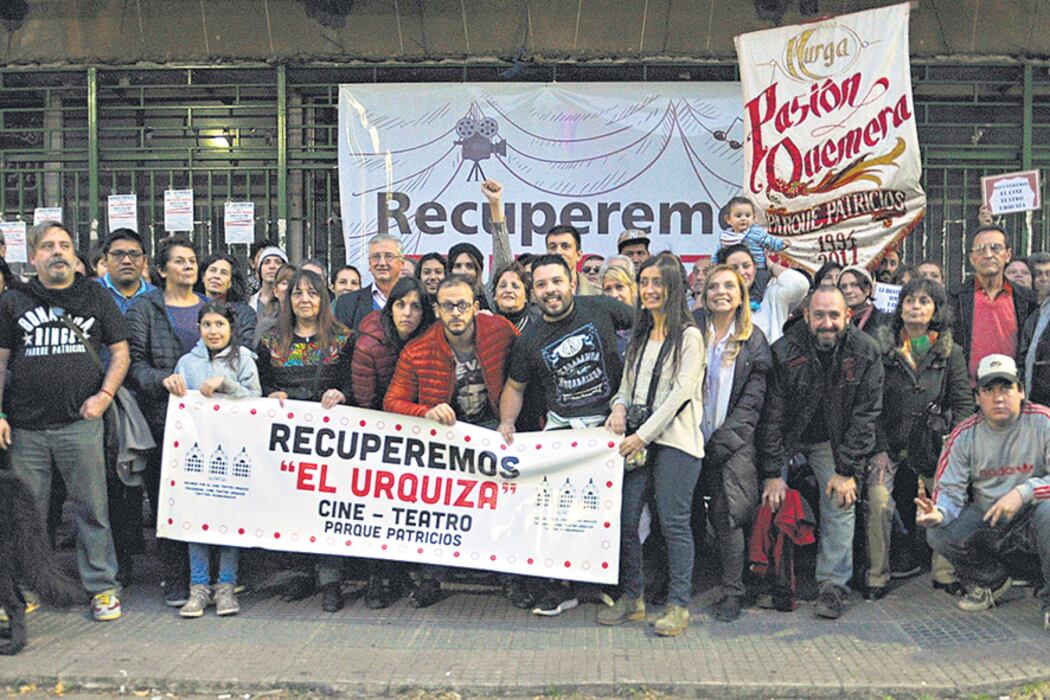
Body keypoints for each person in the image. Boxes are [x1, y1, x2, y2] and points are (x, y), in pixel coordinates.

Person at [0, 221, 129, 621]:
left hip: (80, 424)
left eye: (65, 245)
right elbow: (1, 362)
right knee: (28, 516)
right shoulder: (13, 301)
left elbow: (120, 352)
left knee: (92, 510)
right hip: (26, 427)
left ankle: (102, 588)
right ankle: (25, 588)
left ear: (75, 255)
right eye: (48, 246)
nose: (58, 252)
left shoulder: (95, 295)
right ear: (33, 256)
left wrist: (104, 396)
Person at [499, 255, 634, 615]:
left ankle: (615, 588)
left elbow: (649, 327)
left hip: (611, 428)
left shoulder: (601, 307)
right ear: (533, 292)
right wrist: (507, 422)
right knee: (560, 520)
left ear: (572, 283)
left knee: (616, 517)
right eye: (541, 284)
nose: (550, 290)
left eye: (556, 282)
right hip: (563, 438)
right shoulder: (529, 340)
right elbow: (514, 386)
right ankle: (564, 587)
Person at [384, 275, 518, 607]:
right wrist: (426, 411)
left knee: (504, 508)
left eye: (462, 305)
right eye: (447, 306)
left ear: (475, 306)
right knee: (440, 509)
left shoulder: (501, 331)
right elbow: (392, 401)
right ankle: (431, 579)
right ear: (436, 309)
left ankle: (512, 578)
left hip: (493, 431)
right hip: (446, 438)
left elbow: (525, 369)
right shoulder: (418, 349)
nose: (455, 312)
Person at [758, 286, 884, 619]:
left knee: (841, 502)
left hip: (835, 441)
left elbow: (866, 416)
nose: (826, 323)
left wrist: (846, 471)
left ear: (848, 316)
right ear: (806, 316)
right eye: (819, 315)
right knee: (770, 500)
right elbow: (772, 416)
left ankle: (833, 585)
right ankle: (774, 580)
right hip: (788, 439)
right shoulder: (784, 351)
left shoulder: (866, 351)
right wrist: (772, 472)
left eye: (834, 315)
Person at [600, 255, 704, 636]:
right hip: (637, 441)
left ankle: (678, 605)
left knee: (674, 524)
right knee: (626, 519)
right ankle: (634, 598)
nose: (649, 290)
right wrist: (618, 407)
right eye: (644, 282)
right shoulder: (641, 336)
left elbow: (679, 395)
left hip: (675, 443)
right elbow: (626, 387)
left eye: (657, 282)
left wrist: (642, 435)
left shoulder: (690, 337)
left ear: (673, 287)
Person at [917, 354, 1050, 630]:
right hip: (992, 520)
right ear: (978, 398)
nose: (998, 398)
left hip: (1035, 517)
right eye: (989, 390)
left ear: (1021, 391)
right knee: (939, 533)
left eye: (1006, 388)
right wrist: (938, 513)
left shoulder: (1043, 421)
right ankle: (992, 580)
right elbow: (950, 488)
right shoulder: (964, 434)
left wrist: (1023, 492)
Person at [866, 278, 974, 600]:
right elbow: (869, 405)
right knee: (878, 501)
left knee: (946, 498)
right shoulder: (881, 349)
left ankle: (944, 573)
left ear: (935, 310)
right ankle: (876, 576)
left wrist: (954, 447)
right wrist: (879, 449)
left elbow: (963, 404)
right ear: (900, 307)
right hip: (888, 445)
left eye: (924, 301)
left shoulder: (950, 352)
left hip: (932, 445)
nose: (915, 306)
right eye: (910, 300)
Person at [257, 269, 354, 611]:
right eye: (297, 293)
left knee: (328, 509)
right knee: (292, 506)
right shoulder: (270, 341)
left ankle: (331, 580)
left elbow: (355, 382)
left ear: (323, 298)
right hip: (288, 444)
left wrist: (341, 393)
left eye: (312, 293)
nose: (305, 300)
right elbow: (259, 383)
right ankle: (300, 574)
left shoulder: (344, 339)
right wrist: (270, 394)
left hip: (330, 444)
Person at [162, 301, 261, 618]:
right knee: (196, 519)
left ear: (231, 328)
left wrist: (227, 384)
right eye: (207, 325)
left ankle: (226, 586)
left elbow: (257, 400)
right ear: (199, 328)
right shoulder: (187, 363)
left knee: (229, 520)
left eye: (220, 324)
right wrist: (172, 384)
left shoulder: (244, 360)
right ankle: (199, 586)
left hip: (234, 453)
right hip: (197, 454)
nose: (213, 331)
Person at [127, 235, 207, 607]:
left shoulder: (208, 307)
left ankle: (205, 578)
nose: (188, 266)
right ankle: (175, 577)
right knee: (168, 502)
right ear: (161, 270)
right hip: (163, 421)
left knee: (204, 499)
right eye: (179, 261)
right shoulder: (145, 309)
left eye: (192, 260)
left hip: (207, 425)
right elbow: (134, 364)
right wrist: (162, 380)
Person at [690, 264, 772, 621]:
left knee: (729, 517)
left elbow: (752, 404)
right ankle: (680, 583)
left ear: (741, 296)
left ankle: (732, 590)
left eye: (729, 286)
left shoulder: (754, 340)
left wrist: (719, 446)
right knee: (682, 513)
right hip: (688, 438)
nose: (720, 292)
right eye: (713, 287)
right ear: (703, 294)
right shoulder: (691, 330)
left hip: (732, 444)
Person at [950, 226, 1038, 381]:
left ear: (1008, 255)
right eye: (980, 249)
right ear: (971, 258)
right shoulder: (954, 299)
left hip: (1014, 390)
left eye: (995, 248)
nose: (988, 255)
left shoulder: (1028, 301)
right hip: (966, 391)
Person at [718, 243, 808, 344]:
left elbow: (800, 284)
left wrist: (771, 266)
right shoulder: (717, 303)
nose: (742, 272)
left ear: (755, 268)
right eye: (734, 268)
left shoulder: (772, 296)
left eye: (746, 266)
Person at [718, 197, 788, 299]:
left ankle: (754, 300)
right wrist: (715, 264)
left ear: (754, 217)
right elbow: (719, 252)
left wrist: (780, 244)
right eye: (738, 216)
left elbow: (768, 241)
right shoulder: (727, 236)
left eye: (747, 215)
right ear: (728, 219)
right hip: (735, 271)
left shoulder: (756, 232)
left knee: (759, 285)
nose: (743, 219)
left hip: (758, 268)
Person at [334, 234, 405, 330]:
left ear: (401, 264)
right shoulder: (347, 303)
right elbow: (341, 338)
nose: (382, 263)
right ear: (369, 263)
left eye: (389, 256)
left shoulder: (415, 299)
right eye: (376, 257)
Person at [195, 252, 257, 349]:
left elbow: (248, 346)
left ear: (231, 283)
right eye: (213, 270)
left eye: (224, 273)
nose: (216, 276)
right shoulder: (190, 308)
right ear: (203, 277)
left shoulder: (244, 314)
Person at [98, 229, 154, 313]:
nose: (127, 261)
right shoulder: (88, 294)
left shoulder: (157, 298)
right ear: (104, 260)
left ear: (145, 260)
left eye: (134, 254)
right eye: (118, 254)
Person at [545, 225, 601, 296]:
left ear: (578, 255)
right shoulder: (536, 294)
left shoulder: (598, 294)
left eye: (565, 246)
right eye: (553, 247)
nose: (558, 252)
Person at [838, 267, 890, 337]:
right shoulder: (836, 320)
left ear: (868, 289)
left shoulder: (883, 320)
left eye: (855, 285)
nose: (848, 291)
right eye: (843, 287)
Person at [491, 261, 534, 333]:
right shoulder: (482, 328)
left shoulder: (537, 327)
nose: (508, 290)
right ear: (494, 295)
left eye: (515, 286)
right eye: (503, 286)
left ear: (526, 297)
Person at [247, 245, 289, 315]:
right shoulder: (249, 303)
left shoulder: (292, 302)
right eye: (267, 262)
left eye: (278, 262)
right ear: (260, 269)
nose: (272, 266)